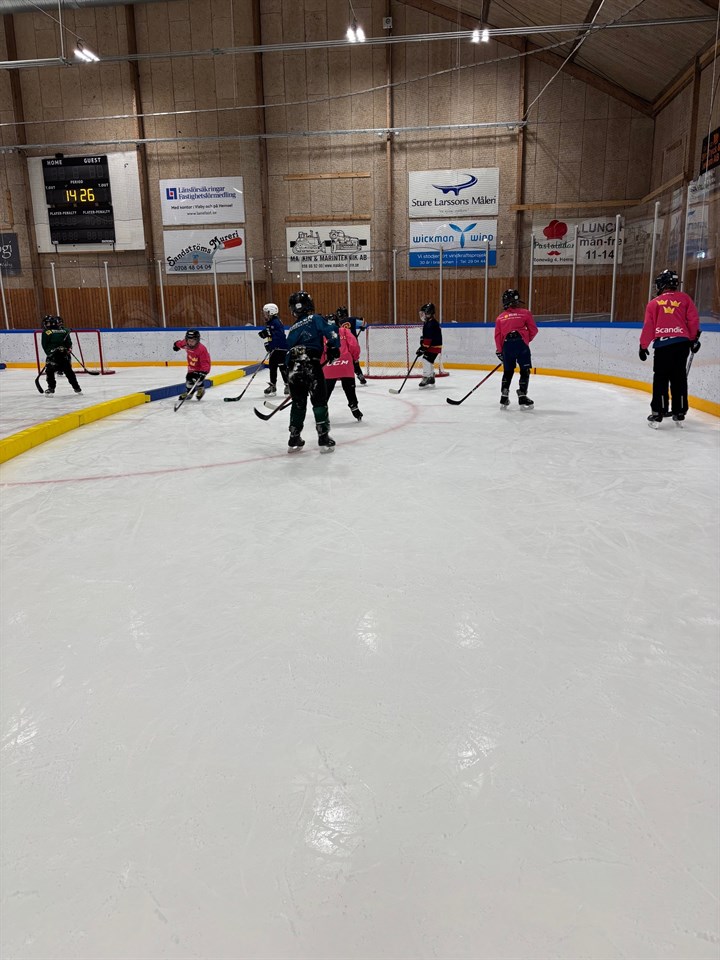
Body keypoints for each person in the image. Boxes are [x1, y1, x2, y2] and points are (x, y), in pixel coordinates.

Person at [639, 269, 701, 427]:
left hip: (663, 346)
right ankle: (679, 412)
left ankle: (658, 412)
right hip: (681, 344)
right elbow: (693, 320)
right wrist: (693, 340)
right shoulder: (685, 299)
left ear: (662, 284)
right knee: (679, 378)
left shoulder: (654, 303)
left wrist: (643, 346)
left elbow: (649, 326)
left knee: (661, 378)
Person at [285, 291, 340, 451]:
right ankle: (323, 436)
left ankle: (294, 437)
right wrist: (333, 347)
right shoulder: (315, 318)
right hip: (310, 363)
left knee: (298, 402)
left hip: (293, 367)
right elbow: (331, 331)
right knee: (319, 400)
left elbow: (287, 351)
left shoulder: (292, 328)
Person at [494, 289, 538, 408]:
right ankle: (522, 394)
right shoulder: (525, 313)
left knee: (508, 371)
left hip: (507, 346)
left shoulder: (500, 318)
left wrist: (500, 351)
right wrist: (525, 340)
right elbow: (534, 330)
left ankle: (504, 395)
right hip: (522, 345)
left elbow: (497, 337)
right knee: (524, 370)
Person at [323, 314, 363, 421]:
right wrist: (355, 358)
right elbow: (354, 346)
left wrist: (320, 365)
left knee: (326, 391)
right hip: (346, 364)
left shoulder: (323, 334)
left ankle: (322, 410)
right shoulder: (345, 331)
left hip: (329, 365)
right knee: (349, 388)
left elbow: (321, 350)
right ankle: (354, 406)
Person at [40, 315, 82, 395]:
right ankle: (75, 387)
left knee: (62, 372)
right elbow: (68, 343)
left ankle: (53, 388)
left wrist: (51, 353)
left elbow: (45, 345)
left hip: (58, 356)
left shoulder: (49, 332)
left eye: (48, 323)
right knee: (56, 372)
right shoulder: (63, 331)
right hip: (58, 356)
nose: (46, 325)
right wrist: (53, 352)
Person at [258, 303, 289, 396]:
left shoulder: (276, 322)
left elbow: (279, 336)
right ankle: (273, 385)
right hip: (274, 349)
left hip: (280, 349)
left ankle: (287, 385)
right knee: (272, 367)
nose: (264, 315)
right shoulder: (271, 322)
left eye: (266, 313)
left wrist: (270, 343)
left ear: (271, 312)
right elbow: (271, 333)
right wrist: (265, 335)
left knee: (282, 367)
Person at [173, 328, 211, 400]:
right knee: (188, 379)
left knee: (197, 380)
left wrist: (204, 372)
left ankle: (201, 389)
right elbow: (179, 343)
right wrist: (176, 346)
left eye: (193, 341)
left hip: (200, 368)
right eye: (189, 341)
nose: (190, 343)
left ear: (197, 340)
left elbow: (205, 362)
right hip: (192, 366)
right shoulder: (185, 343)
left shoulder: (201, 349)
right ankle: (190, 392)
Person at [336, 306, 368, 384]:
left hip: (342, 345)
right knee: (354, 361)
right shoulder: (352, 319)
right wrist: (362, 325)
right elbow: (365, 324)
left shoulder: (337, 322)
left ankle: (337, 376)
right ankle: (360, 376)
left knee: (341, 360)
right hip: (353, 343)